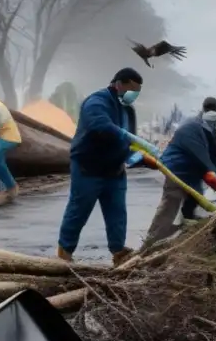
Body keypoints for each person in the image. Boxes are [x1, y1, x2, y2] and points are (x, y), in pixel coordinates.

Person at [57, 67, 158, 266]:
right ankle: (64, 252)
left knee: (117, 213)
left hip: (114, 169)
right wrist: (128, 136)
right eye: (132, 90)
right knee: (79, 210)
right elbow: (100, 125)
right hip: (89, 167)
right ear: (119, 84)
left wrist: (144, 159)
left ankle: (118, 251)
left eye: (137, 92)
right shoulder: (97, 101)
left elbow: (127, 145)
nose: (134, 95)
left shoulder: (127, 109)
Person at [143, 97, 216, 248]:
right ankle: (152, 242)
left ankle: (183, 240)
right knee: (171, 203)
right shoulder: (190, 127)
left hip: (193, 172)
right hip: (177, 169)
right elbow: (203, 157)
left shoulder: (210, 126)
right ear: (203, 110)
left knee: (194, 203)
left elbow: (213, 156)